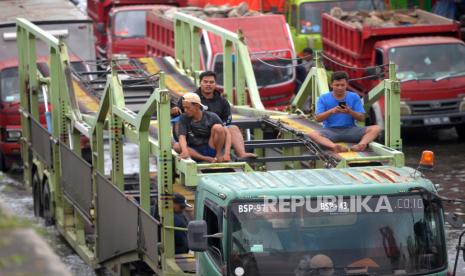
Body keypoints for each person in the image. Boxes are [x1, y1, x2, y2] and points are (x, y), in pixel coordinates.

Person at [172, 71, 256, 161]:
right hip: (193, 134)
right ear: (200, 83)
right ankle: (197, 154)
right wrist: (174, 109)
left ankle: (241, 154)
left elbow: (228, 119)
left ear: (215, 84)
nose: (208, 84)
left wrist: (214, 127)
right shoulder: (189, 98)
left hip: (215, 134)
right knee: (178, 128)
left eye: (211, 82)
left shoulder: (222, 101)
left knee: (232, 128)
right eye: (205, 82)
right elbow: (176, 109)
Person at [307, 71, 381, 152]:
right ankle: (334, 146)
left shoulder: (354, 96)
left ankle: (361, 145)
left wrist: (350, 112)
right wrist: (331, 111)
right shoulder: (323, 98)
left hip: (351, 130)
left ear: (347, 85)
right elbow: (318, 118)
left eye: (342, 85)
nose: (340, 87)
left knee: (376, 128)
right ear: (331, 85)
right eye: (337, 85)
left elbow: (362, 118)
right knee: (312, 134)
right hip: (331, 131)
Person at [176, 92, 227, 162]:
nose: (185, 110)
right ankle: (205, 159)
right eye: (184, 108)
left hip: (210, 147)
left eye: (188, 108)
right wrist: (184, 151)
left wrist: (226, 153)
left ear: (197, 106)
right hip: (194, 150)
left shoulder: (211, 116)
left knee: (218, 127)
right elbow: (182, 136)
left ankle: (217, 155)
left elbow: (227, 133)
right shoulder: (184, 117)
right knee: (177, 146)